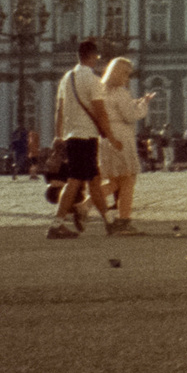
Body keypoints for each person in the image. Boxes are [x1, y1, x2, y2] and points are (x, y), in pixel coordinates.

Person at [48, 37, 119, 239]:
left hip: (72, 136)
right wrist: (111, 136)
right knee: (74, 181)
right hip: (86, 137)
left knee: (94, 180)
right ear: (94, 57)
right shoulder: (93, 80)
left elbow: (59, 110)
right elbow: (100, 112)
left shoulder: (67, 78)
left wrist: (58, 135)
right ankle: (56, 224)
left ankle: (109, 222)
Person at [96, 58, 154, 234]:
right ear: (119, 73)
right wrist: (143, 105)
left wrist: (134, 103)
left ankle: (83, 205)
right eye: (126, 74)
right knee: (128, 178)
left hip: (106, 136)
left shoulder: (101, 89)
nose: (128, 78)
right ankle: (124, 221)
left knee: (114, 181)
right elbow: (129, 116)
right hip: (121, 137)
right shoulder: (121, 92)